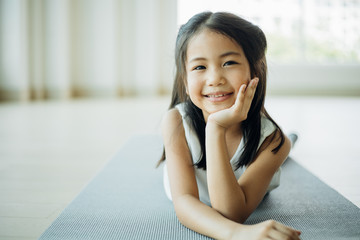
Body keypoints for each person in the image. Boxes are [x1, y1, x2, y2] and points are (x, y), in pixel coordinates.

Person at [158, 11, 301, 240]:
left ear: (255, 71)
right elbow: (185, 201)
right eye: (199, 67)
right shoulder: (176, 122)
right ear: (185, 81)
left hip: (265, 156)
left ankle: (293, 141)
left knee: (286, 145)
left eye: (229, 62)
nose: (215, 78)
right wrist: (238, 234)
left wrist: (215, 128)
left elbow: (230, 212)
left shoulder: (274, 141)